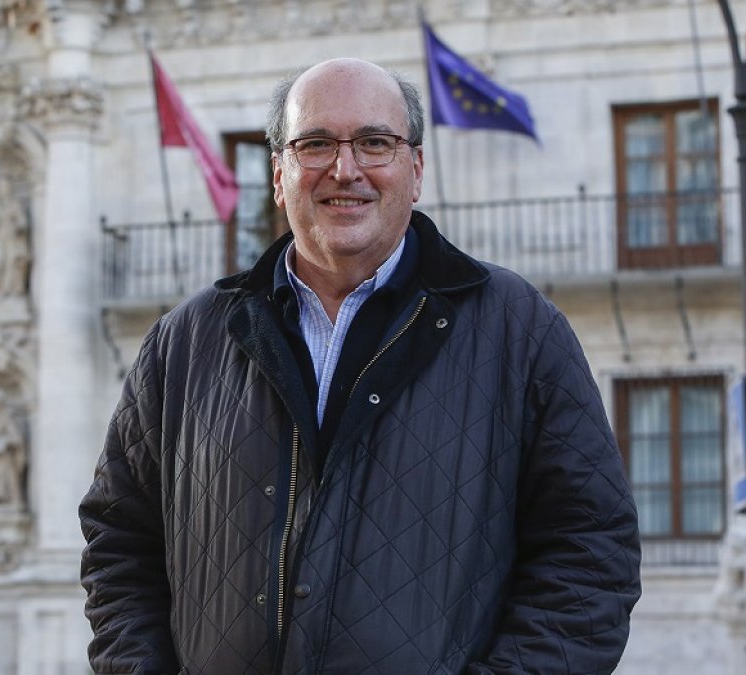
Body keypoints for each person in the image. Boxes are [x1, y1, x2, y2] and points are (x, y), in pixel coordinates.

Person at [79, 58, 640, 674]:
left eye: (375, 143)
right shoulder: (184, 342)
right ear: (277, 173)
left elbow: (591, 555)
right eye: (315, 144)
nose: (345, 170)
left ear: (416, 168)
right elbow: (119, 544)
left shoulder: (520, 330)